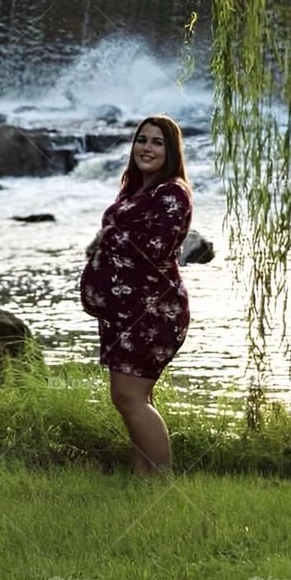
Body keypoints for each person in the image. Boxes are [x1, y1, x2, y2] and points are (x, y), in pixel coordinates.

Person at [80, 115, 193, 474]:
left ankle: (161, 480)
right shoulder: (136, 190)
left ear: (171, 151)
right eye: (141, 140)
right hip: (126, 313)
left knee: (129, 397)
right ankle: (142, 475)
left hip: (152, 313)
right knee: (132, 397)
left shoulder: (172, 193)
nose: (146, 147)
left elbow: (156, 249)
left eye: (157, 142)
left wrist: (108, 239)